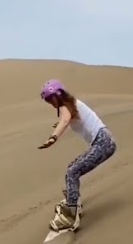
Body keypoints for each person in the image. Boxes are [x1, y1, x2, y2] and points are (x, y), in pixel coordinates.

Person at [37, 79, 118, 232]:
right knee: (72, 169)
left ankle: (70, 216)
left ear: (59, 94)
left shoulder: (66, 106)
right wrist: (60, 123)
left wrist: (53, 137)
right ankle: (74, 201)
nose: (50, 102)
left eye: (50, 98)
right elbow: (67, 119)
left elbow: (66, 119)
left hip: (103, 142)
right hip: (104, 141)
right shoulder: (72, 105)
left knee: (72, 172)